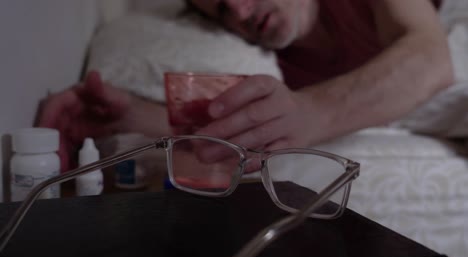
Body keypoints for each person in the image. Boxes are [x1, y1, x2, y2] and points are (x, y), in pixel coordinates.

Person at [36, 0, 453, 172]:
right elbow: (228, 127)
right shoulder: (261, 64)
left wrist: (310, 113)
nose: (238, 10)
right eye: (220, 9)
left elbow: (432, 58)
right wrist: (121, 118)